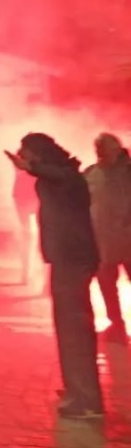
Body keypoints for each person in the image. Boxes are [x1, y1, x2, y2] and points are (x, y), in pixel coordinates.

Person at [6, 132, 103, 419]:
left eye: (27, 153)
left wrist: (30, 168)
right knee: (68, 328)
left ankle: (86, 399)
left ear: (39, 154)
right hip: (66, 259)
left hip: (73, 259)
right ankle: (77, 389)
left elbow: (59, 177)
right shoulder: (60, 175)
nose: (24, 158)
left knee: (74, 330)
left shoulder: (67, 177)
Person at [84, 132, 131, 344]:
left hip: (126, 240)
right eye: (98, 149)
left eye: (104, 149)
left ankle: (117, 325)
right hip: (102, 242)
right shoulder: (92, 173)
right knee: (107, 286)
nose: (100, 153)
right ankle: (116, 325)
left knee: (109, 285)